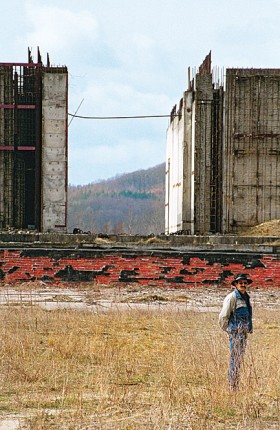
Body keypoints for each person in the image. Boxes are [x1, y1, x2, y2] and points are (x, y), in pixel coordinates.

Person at [219, 273, 253, 390]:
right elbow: (223, 316)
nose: (243, 285)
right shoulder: (231, 298)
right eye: (240, 283)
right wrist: (228, 330)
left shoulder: (246, 297)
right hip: (235, 333)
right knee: (235, 358)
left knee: (239, 358)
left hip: (243, 333)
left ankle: (235, 384)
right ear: (235, 285)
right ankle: (232, 386)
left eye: (245, 283)